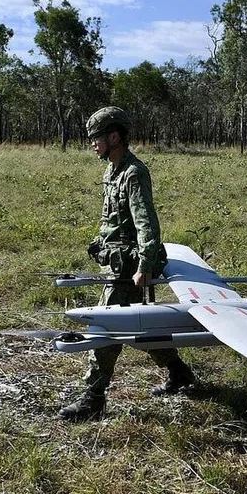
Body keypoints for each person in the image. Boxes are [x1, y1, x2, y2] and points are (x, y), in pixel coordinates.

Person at [58, 106, 195, 421]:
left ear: (114, 136)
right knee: (143, 326)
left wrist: (145, 266)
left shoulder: (134, 172)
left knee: (105, 328)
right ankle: (179, 372)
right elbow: (113, 219)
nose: (93, 144)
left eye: (97, 138)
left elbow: (147, 223)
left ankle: (93, 399)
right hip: (116, 263)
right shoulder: (111, 170)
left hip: (129, 269)